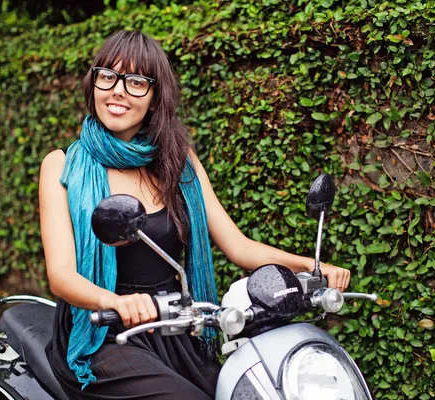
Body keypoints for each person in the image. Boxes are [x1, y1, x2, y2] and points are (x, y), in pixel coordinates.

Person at [40, 30, 351, 400]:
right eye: (108, 76)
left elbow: (237, 246)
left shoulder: (178, 162)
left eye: (136, 81)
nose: (118, 90)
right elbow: (60, 275)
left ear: (155, 98)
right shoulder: (62, 165)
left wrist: (310, 266)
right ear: (94, 85)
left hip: (177, 324)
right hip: (104, 331)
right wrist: (115, 302)